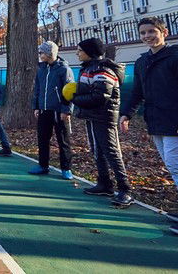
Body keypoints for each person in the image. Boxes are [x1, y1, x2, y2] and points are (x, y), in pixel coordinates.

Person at [120, 17, 178, 237]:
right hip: (157, 123)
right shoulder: (143, 62)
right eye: (143, 33)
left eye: (152, 31)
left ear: (164, 32)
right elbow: (137, 93)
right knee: (175, 167)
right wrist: (126, 114)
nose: (147, 36)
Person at [73, 38, 133, 208]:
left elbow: (100, 96)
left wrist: (75, 99)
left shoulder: (103, 70)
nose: (77, 53)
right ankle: (104, 183)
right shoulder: (87, 69)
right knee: (97, 149)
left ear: (90, 52)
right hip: (91, 116)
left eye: (80, 50)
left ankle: (125, 189)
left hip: (104, 116)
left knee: (111, 151)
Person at [30, 41, 74, 179]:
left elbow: (70, 90)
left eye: (42, 53)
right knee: (42, 139)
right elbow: (37, 89)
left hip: (59, 111)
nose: (40, 55)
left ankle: (66, 168)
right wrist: (36, 106)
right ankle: (43, 165)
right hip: (44, 110)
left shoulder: (63, 69)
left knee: (63, 140)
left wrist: (66, 110)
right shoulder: (41, 69)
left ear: (50, 53)